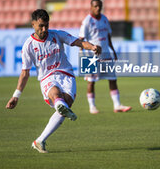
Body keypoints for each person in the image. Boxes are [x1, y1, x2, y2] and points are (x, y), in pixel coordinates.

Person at [6, 9, 101, 153]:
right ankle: (60, 105)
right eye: (41, 26)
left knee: (65, 104)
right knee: (57, 96)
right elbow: (25, 72)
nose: (44, 29)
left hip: (66, 74)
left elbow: (78, 42)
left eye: (46, 25)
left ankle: (40, 140)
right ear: (33, 24)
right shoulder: (29, 46)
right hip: (47, 78)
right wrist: (16, 95)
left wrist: (92, 47)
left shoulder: (57, 34)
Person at [79, 0, 132, 114]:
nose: (98, 8)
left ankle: (117, 105)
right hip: (91, 56)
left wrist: (112, 50)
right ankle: (92, 106)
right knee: (91, 81)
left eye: (99, 6)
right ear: (91, 7)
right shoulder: (87, 21)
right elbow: (81, 40)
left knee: (113, 79)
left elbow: (108, 36)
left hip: (106, 54)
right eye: (95, 6)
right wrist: (83, 54)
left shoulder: (104, 19)